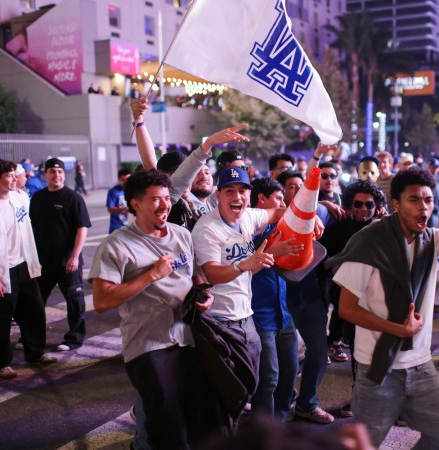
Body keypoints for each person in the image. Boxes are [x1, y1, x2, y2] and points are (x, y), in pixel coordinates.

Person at [328, 168, 439, 447]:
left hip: (421, 365)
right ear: (396, 204)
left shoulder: (433, 238)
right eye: (414, 200)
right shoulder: (370, 242)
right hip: (376, 368)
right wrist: (398, 329)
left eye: (428, 200)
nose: (423, 207)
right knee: (366, 444)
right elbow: (346, 309)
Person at [90, 169, 216, 449]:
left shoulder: (182, 234)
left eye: (166, 198)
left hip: (188, 338)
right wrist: (151, 275)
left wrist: (204, 293)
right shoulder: (116, 245)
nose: (164, 205)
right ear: (136, 204)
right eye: (155, 199)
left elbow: (196, 276)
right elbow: (102, 301)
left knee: (196, 416)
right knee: (166, 425)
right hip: (149, 345)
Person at [191, 167, 287, 382]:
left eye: (243, 191)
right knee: (226, 389)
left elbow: (276, 212)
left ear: (249, 195)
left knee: (252, 382)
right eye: (229, 191)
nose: (237, 197)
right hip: (219, 320)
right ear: (218, 195)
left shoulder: (248, 217)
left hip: (245, 316)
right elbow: (212, 273)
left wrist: (311, 218)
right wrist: (243, 265)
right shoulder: (207, 229)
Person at [0, 159, 57, 379]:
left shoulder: (19, 198)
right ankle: (0, 363)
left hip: (24, 266)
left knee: (34, 312)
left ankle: (35, 353)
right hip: (0, 270)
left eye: (13, 175)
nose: (13, 179)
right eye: (8, 176)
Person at [319, 179, 387, 417]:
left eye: (369, 204)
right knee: (359, 353)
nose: (363, 209)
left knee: (386, 352)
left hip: (381, 300)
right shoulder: (338, 227)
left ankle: (395, 402)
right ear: (349, 205)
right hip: (348, 301)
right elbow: (325, 261)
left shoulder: (386, 226)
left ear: (377, 205)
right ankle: (360, 397)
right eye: (357, 204)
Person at [275, 169, 334, 424]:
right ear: (281, 193)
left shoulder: (318, 212)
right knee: (283, 363)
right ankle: (283, 403)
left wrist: (325, 204)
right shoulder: (268, 220)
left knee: (319, 352)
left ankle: (307, 403)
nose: (299, 191)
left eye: (302, 186)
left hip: (310, 298)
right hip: (279, 303)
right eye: (291, 187)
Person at [249, 177, 302, 421]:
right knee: (268, 378)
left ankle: (279, 421)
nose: (284, 204)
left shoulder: (281, 228)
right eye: (279, 199)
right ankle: (264, 433)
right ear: (262, 199)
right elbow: (243, 268)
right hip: (261, 316)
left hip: (285, 314)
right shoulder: (245, 230)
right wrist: (272, 252)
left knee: (290, 371)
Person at [30, 158, 91, 352]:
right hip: (43, 263)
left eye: (60, 172)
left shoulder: (73, 198)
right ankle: (32, 339)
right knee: (35, 302)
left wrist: (74, 257)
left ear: (64, 175)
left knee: (74, 302)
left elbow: (82, 229)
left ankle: (74, 338)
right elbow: (31, 229)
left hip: (68, 263)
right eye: (52, 172)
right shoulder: (38, 198)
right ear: (45, 174)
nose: (56, 175)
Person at [106, 168, 131, 233]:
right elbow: (110, 209)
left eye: (127, 179)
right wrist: (123, 209)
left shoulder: (134, 190)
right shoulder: (113, 191)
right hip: (117, 226)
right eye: (123, 180)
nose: (125, 182)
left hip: (131, 225)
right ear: (119, 179)